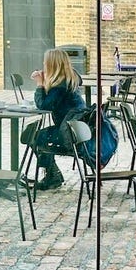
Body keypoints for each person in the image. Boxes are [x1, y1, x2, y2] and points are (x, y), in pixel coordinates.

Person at [32, 48, 86, 190]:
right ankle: (52, 174)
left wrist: (39, 84)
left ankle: (52, 176)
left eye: (45, 61)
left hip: (68, 134)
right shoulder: (69, 78)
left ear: (51, 64)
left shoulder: (60, 85)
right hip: (75, 129)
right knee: (36, 135)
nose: (43, 63)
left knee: (34, 137)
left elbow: (44, 105)